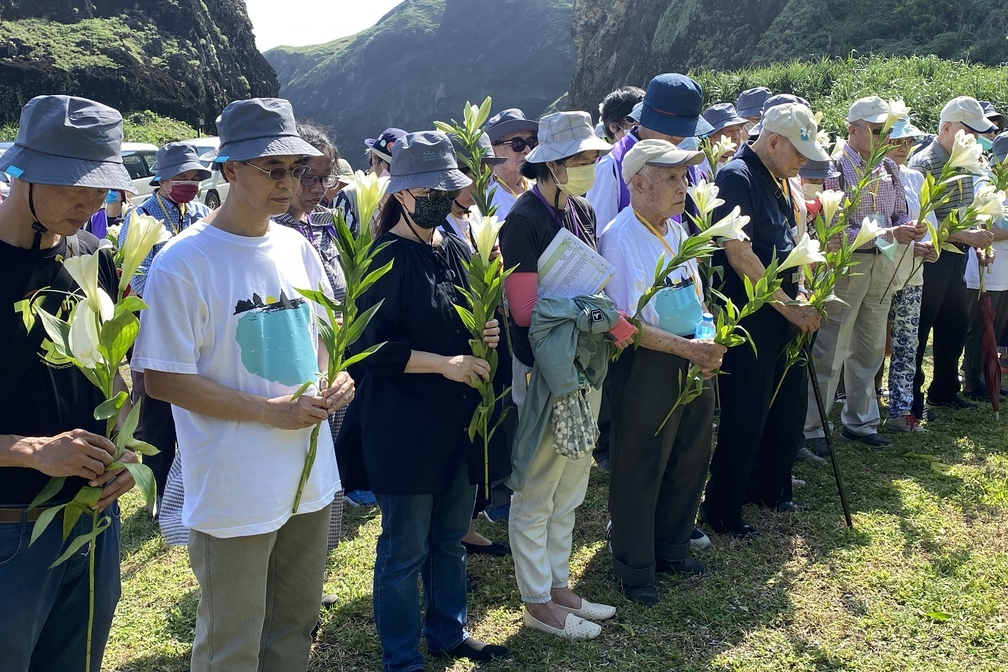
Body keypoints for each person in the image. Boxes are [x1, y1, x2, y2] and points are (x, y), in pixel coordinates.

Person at [133, 98, 355, 671]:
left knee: (295, 624)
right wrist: (270, 412)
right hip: (235, 481)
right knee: (231, 641)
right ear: (229, 170)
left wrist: (336, 378)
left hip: (307, 474)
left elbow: (321, 336)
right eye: (271, 169)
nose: (289, 184)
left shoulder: (296, 246)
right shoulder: (183, 261)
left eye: (295, 170)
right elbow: (161, 378)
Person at [338, 130, 509, 670]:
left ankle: (449, 631)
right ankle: (401, 655)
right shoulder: (384, 257)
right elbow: (369, 351)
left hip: (455, 419)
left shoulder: (453, 246)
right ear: (404, 195)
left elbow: (463, 319)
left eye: (448, 188)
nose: (446, 198)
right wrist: (447, 364)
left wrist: (486, 335)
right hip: (405, 425)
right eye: (433, 190)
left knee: (449, 538)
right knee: (403, 549)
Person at [0, 94, 140, 671]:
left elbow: (116, 377)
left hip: (91, 520)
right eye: (68, 183)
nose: (88, 202)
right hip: (11, 530)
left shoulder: (94, 259)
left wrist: (127, 449)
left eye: (100, 186)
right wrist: (31, 451)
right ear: (21, 171)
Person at [500, 110, 631, 639]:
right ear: (551, 164)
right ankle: (536, 601)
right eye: (583, 160)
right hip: (544, 370)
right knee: (537, 485)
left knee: (572, 477)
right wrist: (594, 312)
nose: (592, 167)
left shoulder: (580, 212)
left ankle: (558, 584)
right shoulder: (522, 222)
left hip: (582, 363)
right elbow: (526, 310)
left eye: (596, 158)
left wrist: (594, 312)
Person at [599, 139, 726, 605]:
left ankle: (672, 546)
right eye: (671, 178)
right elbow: (623, 323)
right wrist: (688, 349)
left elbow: (694, 293)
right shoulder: (618, 236)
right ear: (638, 182)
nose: (683, 187)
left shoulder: (674, 230)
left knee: (691, 452)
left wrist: (710, 340)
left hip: (691, 355)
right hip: (648, 363)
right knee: (642, 462)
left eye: (684, 177)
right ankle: (634, 566)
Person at [701, 102, 827, 538]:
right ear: (773, 141)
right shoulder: (736, 176)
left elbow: (793, 242)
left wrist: (803, 292)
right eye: (798, 151)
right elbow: (740, 254)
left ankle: (770, 486)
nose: (804, 162)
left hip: (784, 309)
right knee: (746, 411)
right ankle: (723, 508)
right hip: (751, 315)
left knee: (787, 405)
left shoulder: (781, 177)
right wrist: (789, 305)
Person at [803, 96, 925, 453]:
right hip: (846, 264)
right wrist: (889, 234)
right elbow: (831, 232)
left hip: (881, 262)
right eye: (876, 131)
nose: (885, 138)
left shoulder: (888, 168)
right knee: (832, 347)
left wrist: (909, 227)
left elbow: (899, 213)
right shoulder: (834, 168)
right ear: (853, 130)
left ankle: (860, 422)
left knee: (871, 346)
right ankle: (813, 428)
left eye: (887, 131)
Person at [272, 121, 350, 549]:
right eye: (309, 176)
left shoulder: (328, 222)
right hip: (288, 363)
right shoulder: (271, 226)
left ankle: (314, 561)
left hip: (331, 359)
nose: (318, 187)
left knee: (326, 458)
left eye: (326, 176)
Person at [123, 142, 212, 512]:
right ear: (162, 179)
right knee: (157, 407)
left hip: (201, 324)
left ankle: (194, 484)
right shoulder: (141, 216)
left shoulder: (205, 213)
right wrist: (172, 296)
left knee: (197, 401)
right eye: (182, 177)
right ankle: (159, 491)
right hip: (155, 323)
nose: (189, 184)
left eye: (195, 177)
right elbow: (137, 272)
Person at [909, 96, 996, 415]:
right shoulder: (925, 162)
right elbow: (922, 222)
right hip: (930, 259)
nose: (976, 140)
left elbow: (967, 214)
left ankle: (944, 389)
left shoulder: (965, 160)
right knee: (921, 326)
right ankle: (912, 397)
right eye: (969, 132)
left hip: (956, 255)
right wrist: (968, 236)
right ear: (946, 128)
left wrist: (979, 244)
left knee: (955, 323)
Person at [587, 72, 714, 235]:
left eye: (685, 129)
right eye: (671, 127)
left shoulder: (687, 162)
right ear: (646, 119)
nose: (679, 137)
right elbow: (599, 235)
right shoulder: (611, 166)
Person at [885, 117, 937, 432]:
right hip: (878, 271)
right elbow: (870, 231)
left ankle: (901, 410)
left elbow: (930, 224)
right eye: (897, 141)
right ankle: (855, 405)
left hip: (912, 275)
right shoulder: (871, 176)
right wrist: (898, 247)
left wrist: (931, 247)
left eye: (909, 142)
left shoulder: (916, 178)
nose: (904, 147)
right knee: (871, 343)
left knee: (907, 342)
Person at [964, 132, 1008, 402]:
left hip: (1004, 274)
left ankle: (990, 378)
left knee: (996, 329)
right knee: (980, 329)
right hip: (986, 271)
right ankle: (975, 383)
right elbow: (985, 228)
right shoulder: (985, 183)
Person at [332, 126, 404, 236]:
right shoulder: (348, 197)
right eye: (393, 168)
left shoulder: (403, 198)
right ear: (375, 158)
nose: (397, 175)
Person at [485, 108, 540, 219]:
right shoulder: (485, 198)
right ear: (493, 150)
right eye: (517, 143)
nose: (527, 150)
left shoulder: (539, 190)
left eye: (531, 142)